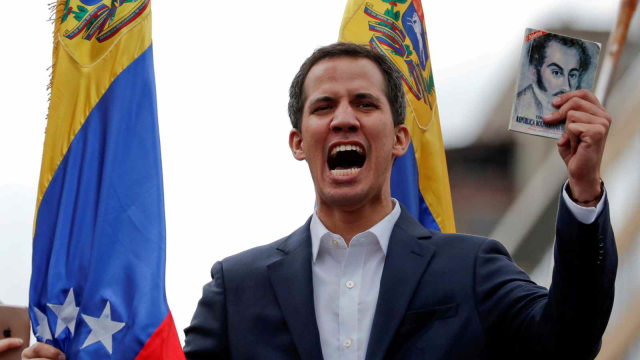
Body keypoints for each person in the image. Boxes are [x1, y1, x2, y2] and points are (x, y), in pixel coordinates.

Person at [24, 42, 616, 359]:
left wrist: (584, 190)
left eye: (365, 104)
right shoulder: (238, 289)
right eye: (322, 107)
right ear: (297, 143)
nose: (343, 120)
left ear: (400, 139)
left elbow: (567, 342)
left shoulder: (473, 267)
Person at [515, 33, 592, 119]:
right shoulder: (517, 107)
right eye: (556, 73)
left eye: (572, 75)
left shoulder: (579, 113)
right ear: (534, 71)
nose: (566, 87)